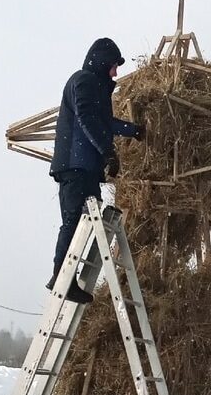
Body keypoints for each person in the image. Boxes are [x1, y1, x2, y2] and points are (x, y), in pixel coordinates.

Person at [47, 37, 143, 301]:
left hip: (86, 168)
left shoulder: (97, 88)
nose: (115, 72)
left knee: (86, 221)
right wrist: (107, 151)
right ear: (101, 62)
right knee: (73, 220)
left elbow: (105, 121)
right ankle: (60, 278)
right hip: (74, 166)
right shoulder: (83, 81)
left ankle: (68, 277)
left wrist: (132, 131)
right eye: (113, 66)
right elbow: (87, 119)